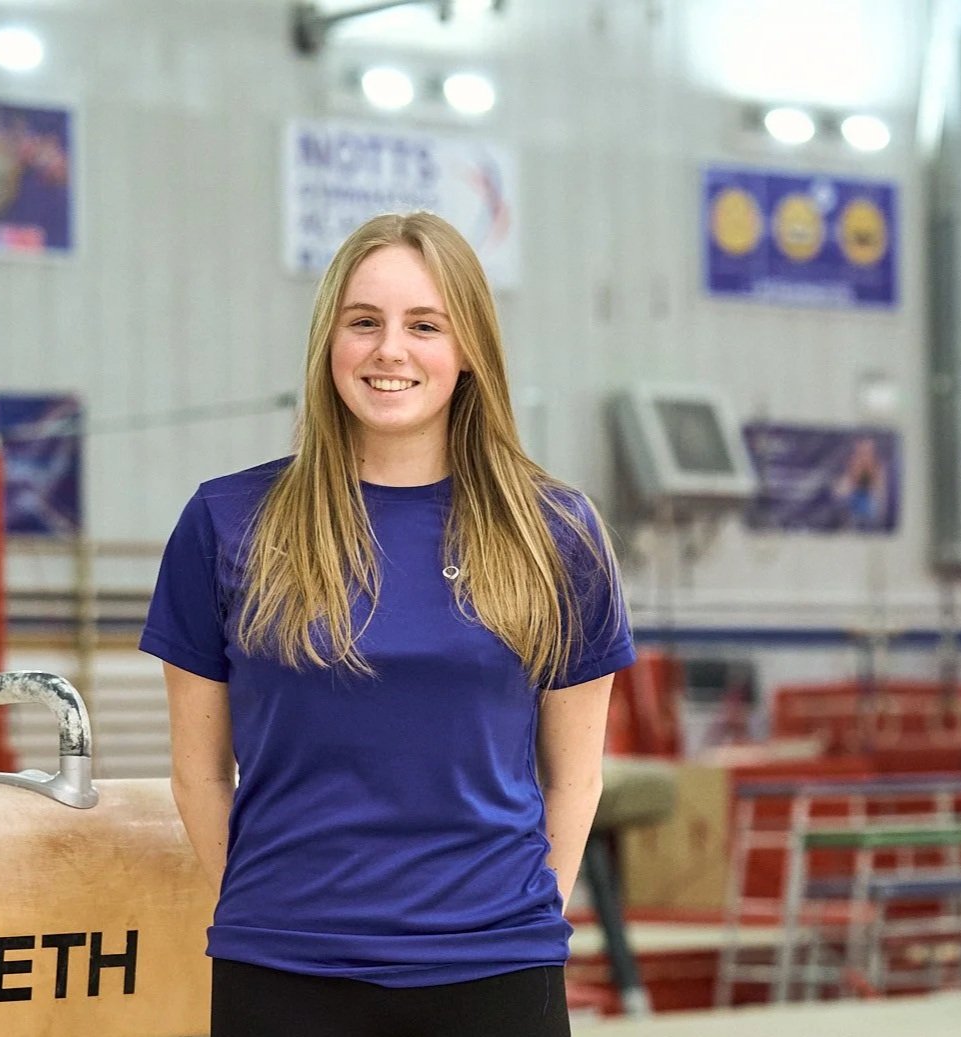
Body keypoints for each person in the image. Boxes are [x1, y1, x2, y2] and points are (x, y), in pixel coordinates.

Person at [141, 211, 635, 1037]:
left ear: (469, 346)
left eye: (424, 325)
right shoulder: (228, 521)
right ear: (328, 342)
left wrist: (512, 917)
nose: (389, 350)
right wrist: (269, 911)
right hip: (284, 965)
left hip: (492, 965)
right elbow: (197, 773)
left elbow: (575, 776)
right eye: (362, 322)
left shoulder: (556, 532)